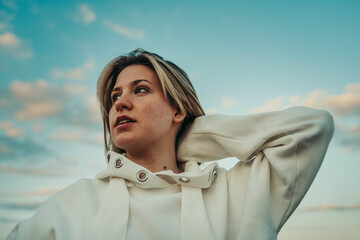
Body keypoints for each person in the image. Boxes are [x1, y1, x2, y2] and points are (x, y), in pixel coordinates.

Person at [7, 49, 334, 240]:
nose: (120, 103)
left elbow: (310, 127)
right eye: (114, 96)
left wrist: (192, 135)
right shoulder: (72, 204)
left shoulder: (236, 195)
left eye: (140, 90)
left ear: (178, 109)